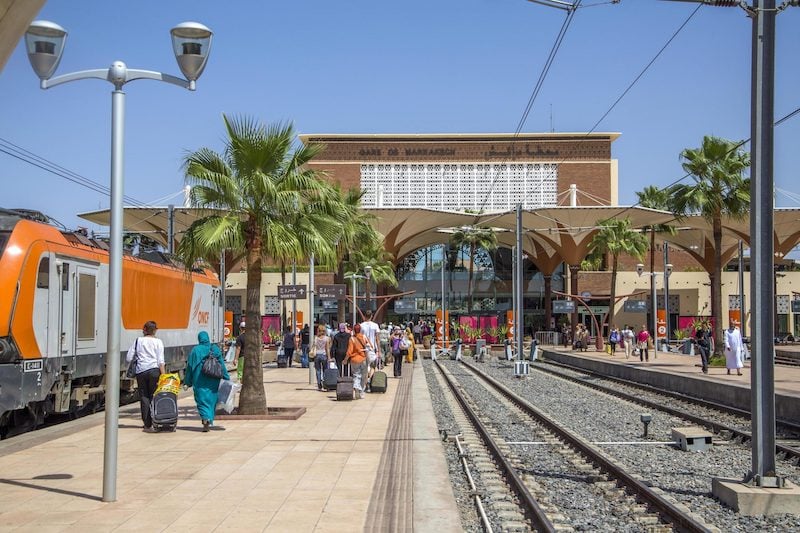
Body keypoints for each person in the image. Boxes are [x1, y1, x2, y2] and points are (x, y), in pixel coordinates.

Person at [184, 331, 230, 432]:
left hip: (199, 380)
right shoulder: (215, 349)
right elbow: (222, 365)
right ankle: (209, 418)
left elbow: (189, 367)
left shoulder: (195, 350)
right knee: (212, 400)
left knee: (201, 401)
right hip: (213, 380)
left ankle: (205, 419)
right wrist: (226, 377)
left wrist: (187, 382)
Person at [125, 320, 165, 432]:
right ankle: (155, 420)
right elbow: (161, 361)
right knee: (154, 395)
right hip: (154, 371)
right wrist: (164, 375)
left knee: (144, 397)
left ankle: (147, 424)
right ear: (155, 331)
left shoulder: (138, 341)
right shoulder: (158, 342)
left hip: (141, 372)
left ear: (144, 330)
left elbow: (128, 358)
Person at [345, 323, 371, 399]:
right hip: (363, 359)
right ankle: (361, 392)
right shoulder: (364, 337)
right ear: (360, 330)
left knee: (356, 375)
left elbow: (349, 351)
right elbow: (370, 347)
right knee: (363, 376)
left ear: (354, 330)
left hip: (354, 360)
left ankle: (356, 388)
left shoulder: (352, 339)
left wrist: (345, 359)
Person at [312, 325, 332, 390]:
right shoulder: (327, 338)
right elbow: (327, 349)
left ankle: (319, 384)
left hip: (317, 355)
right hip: (324, 355)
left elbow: (313, 346)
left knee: (318, 370)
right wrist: (329, 357)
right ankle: (325, 383)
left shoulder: (315, 338)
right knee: (325, 370)